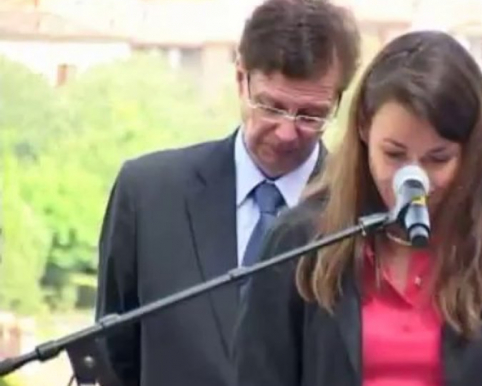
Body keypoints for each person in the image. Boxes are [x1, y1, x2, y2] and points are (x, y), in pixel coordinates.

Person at [232, 30, 482, 386]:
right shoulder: (302, 241)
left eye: (438, 158)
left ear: (471, 153)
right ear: (364, 130)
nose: (412, 179)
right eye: (394, 154)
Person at [94, 1, 361, 385]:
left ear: (339, 101)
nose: (287, 132)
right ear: (241, 78)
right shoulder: (148, 195)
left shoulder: (360, 217)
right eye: (271, 106)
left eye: (310, 115)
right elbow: (112, 356)